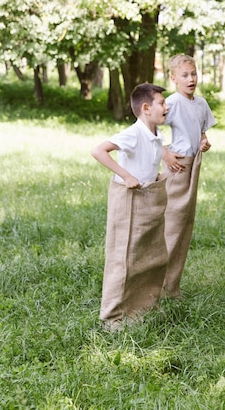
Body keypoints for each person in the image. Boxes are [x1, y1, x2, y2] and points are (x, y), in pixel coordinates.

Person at [91, 83, 170, 329]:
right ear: (146, 108)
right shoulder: (133, 134)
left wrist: (154, 175)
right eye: (161, 103)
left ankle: (141, 307)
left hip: (148, 199)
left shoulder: (156, 136)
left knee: (149, 256)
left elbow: (146, 161)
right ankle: (113, 317)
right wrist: (125, 175)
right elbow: (99, 151)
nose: (166, 107)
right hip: (130, 200)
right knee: (123, 257)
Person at [162, 54, 216, 298]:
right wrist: (166, 154)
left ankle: (172, 287)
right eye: (184, 75)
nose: (191, 78)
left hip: (194, 165)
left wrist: (204, 142)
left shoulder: (201, 104)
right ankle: (158, 285)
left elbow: (201, 132)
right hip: (177, 167)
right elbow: (148, 130)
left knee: (184, 225)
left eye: (193, 73)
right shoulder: (171, 103)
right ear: (173, 78)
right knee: (171, 224)